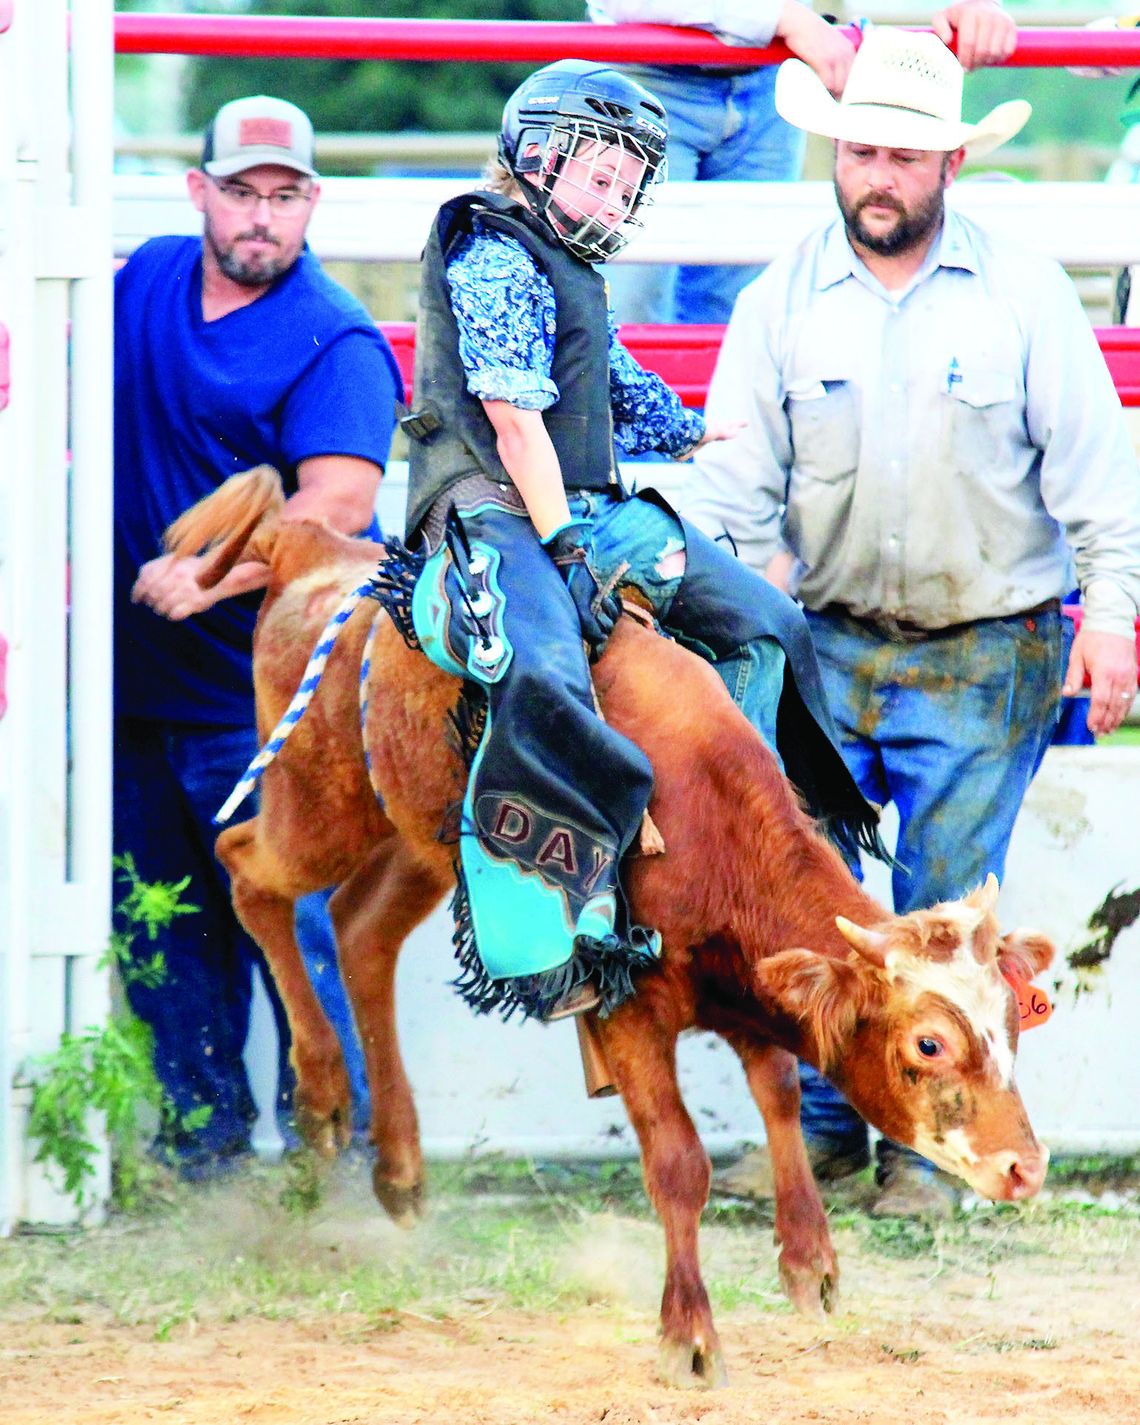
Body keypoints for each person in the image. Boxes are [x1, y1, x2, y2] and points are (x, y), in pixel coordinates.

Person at [682, 29, 1140, 1215]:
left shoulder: (1024, 294)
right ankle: (837, 1133)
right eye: (862, 149)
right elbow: (734, 494)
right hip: (828, 640)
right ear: (835, 152)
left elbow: (1102, 479)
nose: (879, 175)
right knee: (829, 908)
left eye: (906, 155)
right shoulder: (779, 300)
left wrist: (1115, 621)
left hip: (994, 644)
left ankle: (920, 1155)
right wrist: (693, 611)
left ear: (950, 166)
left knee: (945, 903)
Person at [398, 59, 885, 1024]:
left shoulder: (571, 260)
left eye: (628, 183)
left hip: (574, 498)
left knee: (766, 622)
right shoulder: (491, 251)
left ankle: (728, 824)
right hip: (491, 505)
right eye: (598, 173)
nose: (615, 196)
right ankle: (538, 934)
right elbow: (515, 420)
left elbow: (610, 379)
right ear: (534, 156)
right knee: (535, 665)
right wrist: (563, 548)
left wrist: (689, 431)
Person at [113, 96, 402, 1179]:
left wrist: (210, 571)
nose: (262, 219)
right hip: (131, 691)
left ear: (312, 203)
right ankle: (205, 1166)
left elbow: (338, 512)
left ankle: (350, 1168)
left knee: (306, 936)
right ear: (199, 191)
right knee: (166, 936)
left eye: (285, 198)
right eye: (242, 192)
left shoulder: (335, 339)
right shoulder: (141, 280)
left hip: (273, 713)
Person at [587, 0, 1018, 326]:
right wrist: (784, 18)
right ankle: (632, 446)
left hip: (768, 68)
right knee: (629, 301)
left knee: (740, 307)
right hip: (655, 63)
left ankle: (716, 442)